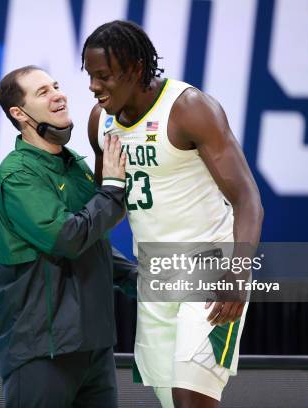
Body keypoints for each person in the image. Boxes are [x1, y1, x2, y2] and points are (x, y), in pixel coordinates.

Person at [83, 21, 264, 407]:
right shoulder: (100, 123)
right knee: (170, 402)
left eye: (104, 76)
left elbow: (248, 198)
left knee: (190, 400)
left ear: (133, 69)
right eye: (90, 76)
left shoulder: (189, 108)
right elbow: (106, 205)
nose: (94, 87)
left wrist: (240, 272)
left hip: (211, 269)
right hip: (155, 276)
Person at [0, 65, 136, 407]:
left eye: (55, 86)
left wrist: (142, 278)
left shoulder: (76, 165)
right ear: (19, 113)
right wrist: (113, 187)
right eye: (43, 92)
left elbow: (93, 243)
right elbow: (68, 239)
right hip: (42, 349)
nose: (59, 94)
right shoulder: (17, 175)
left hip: (94, 347)